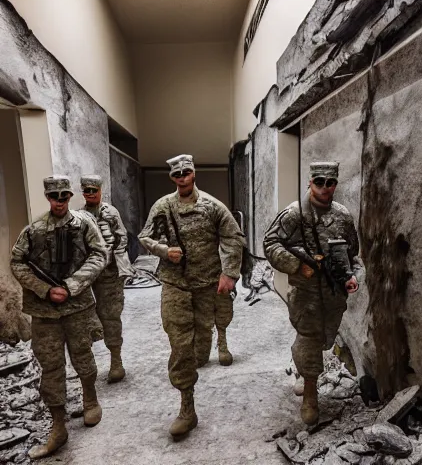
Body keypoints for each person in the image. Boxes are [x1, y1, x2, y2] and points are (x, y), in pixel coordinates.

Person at [138, 154, 245, 439]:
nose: (183, 177)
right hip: (175, 283)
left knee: (203, 334)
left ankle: (214, 344)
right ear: (172, 178)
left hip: (207, 283)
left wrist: (229, 273)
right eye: (177, 174)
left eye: (186, 171)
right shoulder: (163, 206)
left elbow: (233, 237)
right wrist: (163, 251)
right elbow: (144, 236)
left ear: (194, 173)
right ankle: (187, 407)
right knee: (179, 342)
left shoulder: (212, 206)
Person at [10, 175, 108, 459]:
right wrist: (44, 289)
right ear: (48, 197)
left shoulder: (83, 223)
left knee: (83, 357)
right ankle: (58, 426)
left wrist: (71, 285)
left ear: (69, 196)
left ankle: (90, 401)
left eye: (65, 196)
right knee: (50, 367)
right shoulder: (34, 230)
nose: (60, 201)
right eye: (55, 197)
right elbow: (17, 262)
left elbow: (99, 254)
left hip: (77, 307)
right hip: (45, 313)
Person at [263, 161, 360, 426]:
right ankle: (309, 394)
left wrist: (352, 277)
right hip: (305, 293)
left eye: (330, 183)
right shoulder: (294, 214)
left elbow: (352, 255)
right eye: (319, 182)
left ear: (335, 185)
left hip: (333, 294)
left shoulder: (343, 216)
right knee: (309, 336)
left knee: (324, 340)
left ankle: (301, 370)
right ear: (310, 182)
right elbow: (270, 243)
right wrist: (297, 265)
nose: (324, 188)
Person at [80, 174, 135, 383]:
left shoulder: (110, 212)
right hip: (87, 274)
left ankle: (116, 361)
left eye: (94, 190)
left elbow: (122, 238)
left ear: (100, 191)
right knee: (83, 319)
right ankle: (87, 366)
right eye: (87, 191)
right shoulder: (78, 216)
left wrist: (119, 262)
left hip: (109, 273)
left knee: (110, 315)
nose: (91, 194)